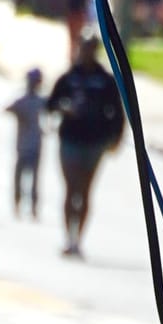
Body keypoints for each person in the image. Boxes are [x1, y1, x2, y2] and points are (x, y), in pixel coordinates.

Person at [48, 28, 125, 257]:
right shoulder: (69, 77)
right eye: (85, 48)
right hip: (70, 139)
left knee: (85, 190)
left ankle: (78, 238)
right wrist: (65, 108)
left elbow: (117, 113)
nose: (87, 52)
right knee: (71, 189)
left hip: (95, 142)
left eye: (92, 48)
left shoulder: (105, 80)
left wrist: (116, 138)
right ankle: (68, 237)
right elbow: (51, 104)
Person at [9, 65, 46, 217]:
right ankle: (17, 203)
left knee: (34, 179)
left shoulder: (41, 101)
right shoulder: (22, 100)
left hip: (35, 144)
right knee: (19, 177)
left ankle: (33, 207)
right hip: (22, 145)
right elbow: (7, 108)